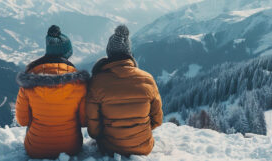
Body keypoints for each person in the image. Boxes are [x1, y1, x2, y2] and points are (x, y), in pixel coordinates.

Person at [86, 25, 163, 156]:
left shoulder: (97, 82)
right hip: (143, 147)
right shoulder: (147, 79)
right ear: (129, 53)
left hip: (110, 147)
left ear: (109, 53)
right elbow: (157, 120)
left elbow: (93, 130)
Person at [15, 25, 89, 159]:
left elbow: (22, 120)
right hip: (71, 148)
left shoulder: (29, 81)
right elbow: (84, 121)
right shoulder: (79, 83)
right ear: (66, 54)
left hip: (36, 149)